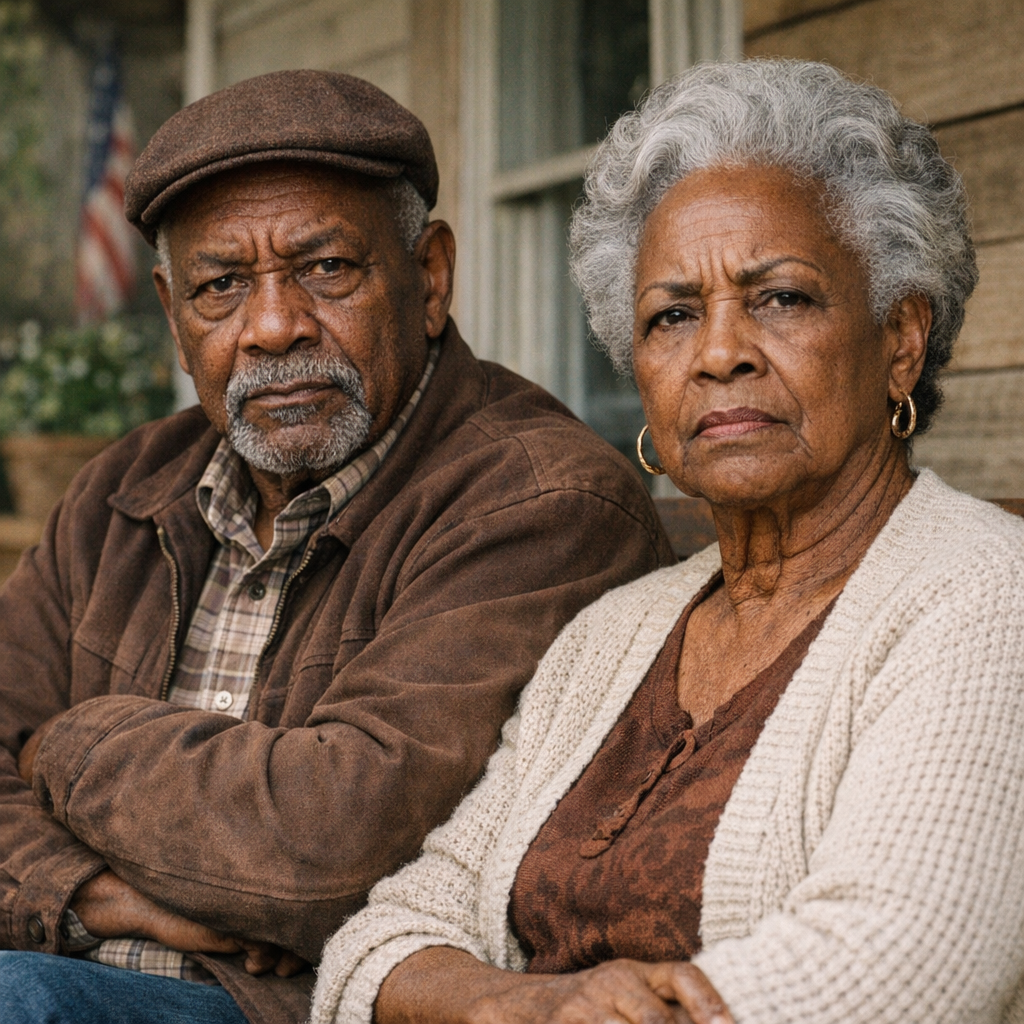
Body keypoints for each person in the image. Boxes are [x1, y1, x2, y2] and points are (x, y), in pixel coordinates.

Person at [311, 59, 1024, 1024]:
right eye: (673, 315)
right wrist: (521, 1010)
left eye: (781, 297)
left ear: (899, 338)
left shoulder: (987, 597)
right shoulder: (612, 636)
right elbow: (383, 938)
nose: (718, 351)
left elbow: (888, 972)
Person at [0, 70, 673, 1024]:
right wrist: (93, 897)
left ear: (429, 277)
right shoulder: (125, 486)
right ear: (172, 317)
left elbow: (323, 849)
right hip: (63, 961)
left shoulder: (539, 501)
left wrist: (67, 743)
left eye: (325, 269)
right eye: (221, 286)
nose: (273, 328)